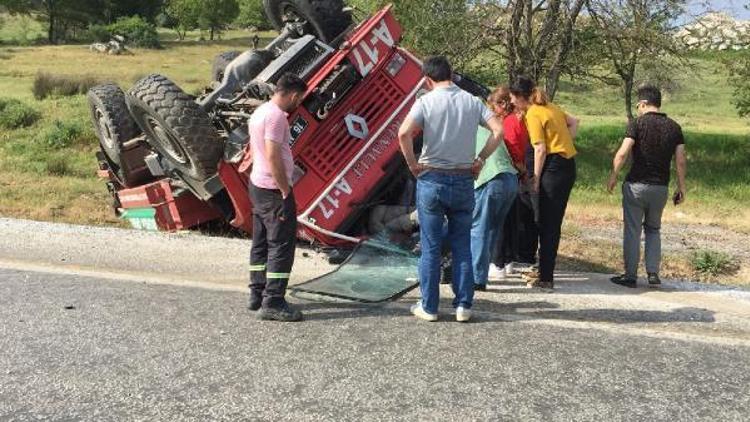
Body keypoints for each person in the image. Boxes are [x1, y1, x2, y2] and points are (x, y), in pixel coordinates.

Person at [398, 56, 504, 322]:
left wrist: (413, 164)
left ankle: (429, 306)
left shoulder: (425, 101)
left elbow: (403, 133)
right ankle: (463, 306)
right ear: (452, 74)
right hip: (464, 179)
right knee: (462, 244)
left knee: (431, 246)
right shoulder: (472, 102)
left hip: (432, 178)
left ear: (427, 79)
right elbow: (498, 130)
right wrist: (480, 159)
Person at [607, 84, 687, 288]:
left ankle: (630, 276)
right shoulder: (674, 127)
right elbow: (680, 160)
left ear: (643, 104)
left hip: (636, 186)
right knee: (654, 229)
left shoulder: (637, 124)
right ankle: (653, 273)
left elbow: (623, 152)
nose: (637, 109)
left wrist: (614, 174)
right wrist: (681, 186)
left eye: (638, 106)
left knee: (632, 230)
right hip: (660, 187)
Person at [247, 73, 308, 321]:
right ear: (293, 95)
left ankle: (257, 293)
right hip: (273, 189)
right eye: (300, 99)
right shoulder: (275, 118)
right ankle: (273, 301)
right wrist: (284, 189)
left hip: (257, 185)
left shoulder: (260, 112)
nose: (299, 103)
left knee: (260, 241)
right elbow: (273, 155)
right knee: (281, 245)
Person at [509, 77, 578, 290]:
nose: (511, 102)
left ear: (521, 97)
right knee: (552, 221)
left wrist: (536, 178)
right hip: (567, 164)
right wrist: (565, 141)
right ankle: (544, 270)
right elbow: (574, 122)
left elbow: (539, 148)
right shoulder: (551, 107)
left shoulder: (533, 113)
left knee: (547, 223)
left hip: (552, 168)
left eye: (513, 98)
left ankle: (546, 277)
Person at [471, 86, 520, 291]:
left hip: (491, 180)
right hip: (510, 180)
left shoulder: (467, 129)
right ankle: (481, 274)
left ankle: (475, 279)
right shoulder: (489, 127)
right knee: (492, 229)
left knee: (479, 230)